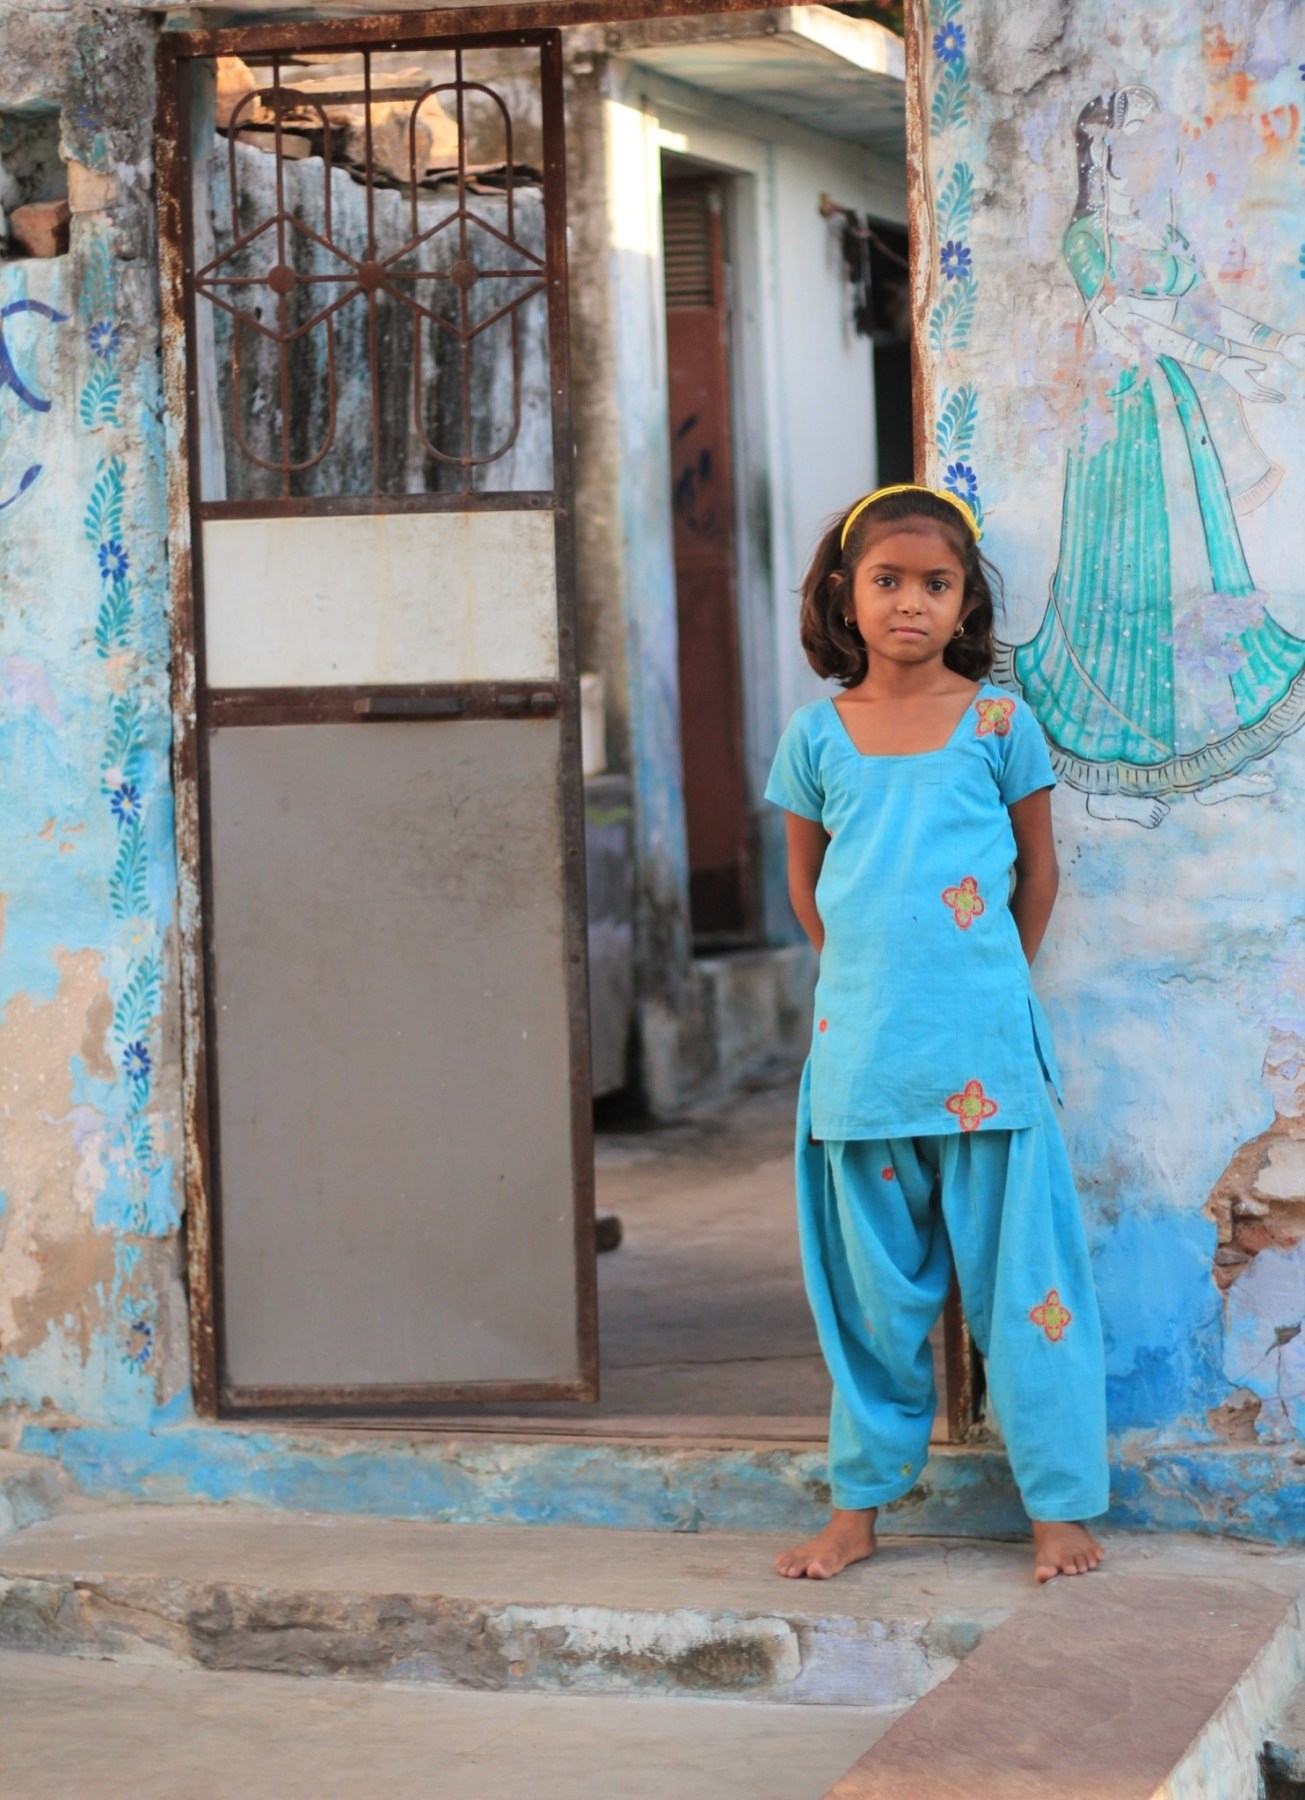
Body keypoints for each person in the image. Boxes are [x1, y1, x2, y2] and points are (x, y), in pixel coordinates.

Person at [765, 483, 1109, 1584]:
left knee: (1031, 1297)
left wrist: (978, 982)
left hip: (988, 1067)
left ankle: (1058, 1514)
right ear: (845, 596)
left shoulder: (1003, 723)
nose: (910, 603)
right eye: (888, 581)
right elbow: (810, 893)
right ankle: (859, 1510)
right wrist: (872, 985)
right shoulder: (817, 736)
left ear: (965, 604)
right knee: (869, 1305)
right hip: (863, 1064)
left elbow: (1039, 877)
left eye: (936, 585)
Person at [1001, 85, 1305, 828]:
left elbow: (1200, 310)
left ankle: (1194, 773)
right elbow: (1125, 325)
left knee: (1193, 591)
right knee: (1124, 589)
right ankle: (1116, 784)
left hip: (1173, 420)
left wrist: (1274, 343)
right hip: (1117, 427)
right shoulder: (1087, 238)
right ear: (1101, 151)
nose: (1149, 151)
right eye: (1134, 137)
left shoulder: (1160, 231)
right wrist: (1222, 365)